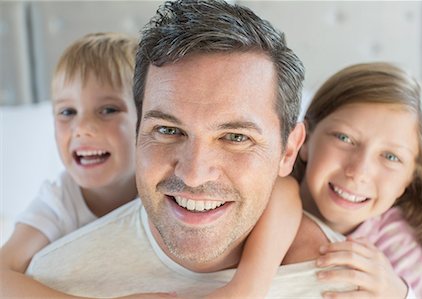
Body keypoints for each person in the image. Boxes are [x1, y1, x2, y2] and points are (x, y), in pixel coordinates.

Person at [23, 0, 357, 298]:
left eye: (236, 137)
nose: (194, 175)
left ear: (288, 151)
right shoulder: (55, 278)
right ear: (137, 134)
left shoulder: (353, 285)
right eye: (168, 130)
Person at [0, 32, 174, 299]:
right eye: (67, 112)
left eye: (108, 110)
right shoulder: (60, 201)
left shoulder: (167, 186)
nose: (81, 129)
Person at [289, 62, 422, 299]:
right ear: (304, 139)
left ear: (409, 180)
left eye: (390, 156)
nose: (359, 171)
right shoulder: (271, 193)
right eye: (344, 138)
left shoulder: (397, 243)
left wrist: (398, 294)